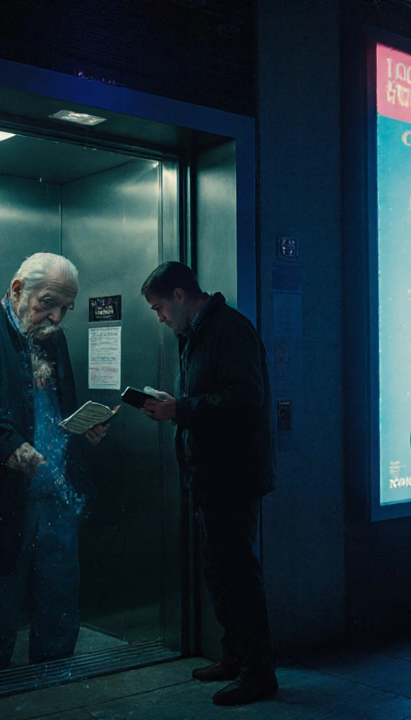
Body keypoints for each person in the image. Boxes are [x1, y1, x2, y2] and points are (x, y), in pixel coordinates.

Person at [0, 252, 107, 675]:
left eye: (65, 308)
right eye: (47, 303)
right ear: (18, 290)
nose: (56, 316)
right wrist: (12, 446)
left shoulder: (54, 336)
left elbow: (61, 402)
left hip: (57, 490)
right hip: (5, 496)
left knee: (59, 594)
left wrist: (82, 431)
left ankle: (54, 679)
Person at [140, 260, 276, 706]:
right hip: (207, 474)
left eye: (160, 308)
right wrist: (177, 405)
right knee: (220, 573)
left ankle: (259, 673)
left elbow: (245, 398)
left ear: (180, 296)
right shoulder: (195, 335)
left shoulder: (229, 329)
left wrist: (180, 409)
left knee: (238, 574)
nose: (159, 318)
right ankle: (235, 658)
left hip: (232, 475)